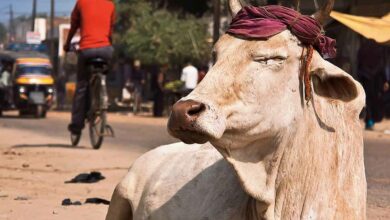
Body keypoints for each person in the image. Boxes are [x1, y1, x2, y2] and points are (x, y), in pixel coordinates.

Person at [63, 0, 115, 135]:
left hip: (87, 50)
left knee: (81, 85)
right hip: (106, 50)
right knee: (104, 71)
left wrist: (67, 44)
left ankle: (77, 124)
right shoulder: (110, 4)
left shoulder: (81, 3)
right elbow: (110, 30)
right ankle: (102, 93)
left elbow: (74, 25)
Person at [357, 39, 387, 130]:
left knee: (367, 100)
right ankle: (370, 121)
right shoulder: (378, 49)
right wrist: (385, 80)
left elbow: (358, 64)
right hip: (375, 79)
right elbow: (382, 66)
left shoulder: (363, 48)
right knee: (373, 99)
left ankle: (369, 121)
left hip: (366, 78)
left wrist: (360, 76)